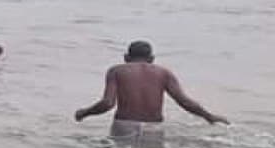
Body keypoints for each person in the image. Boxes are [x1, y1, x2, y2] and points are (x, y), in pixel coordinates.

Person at [75, 41, 229, 138]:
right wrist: (208, 116)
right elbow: (184, 101)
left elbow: (107, 103)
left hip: (124, 126)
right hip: (154, 128)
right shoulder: (164, 73)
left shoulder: (117, 71)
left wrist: (84, 113)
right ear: (152, 59)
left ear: (126, 57)